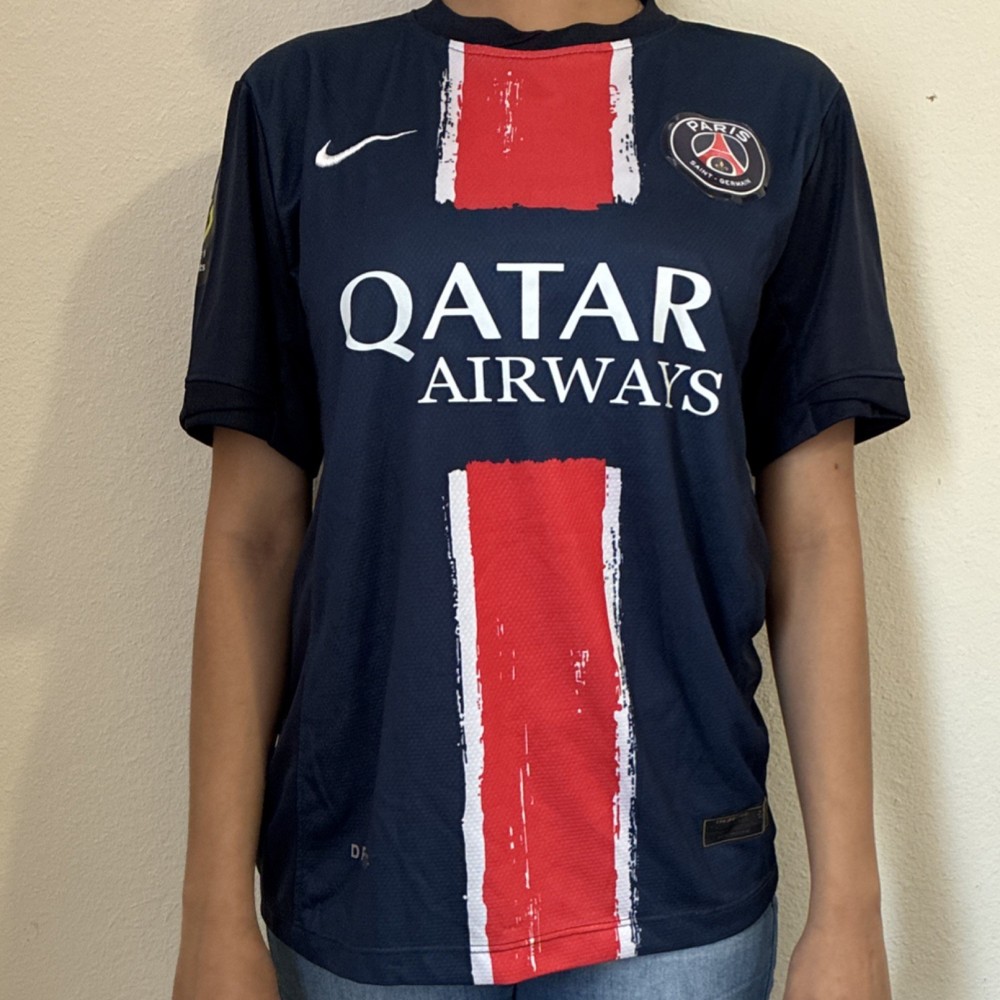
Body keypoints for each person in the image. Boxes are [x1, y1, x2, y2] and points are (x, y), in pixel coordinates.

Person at [171, 1, 909, 998]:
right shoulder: (299, 102)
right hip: (373, 868)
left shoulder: (781, 105)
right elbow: (251, 537)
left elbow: (813, 535)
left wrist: (851, 911)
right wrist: (212, 912)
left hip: (677, 875)